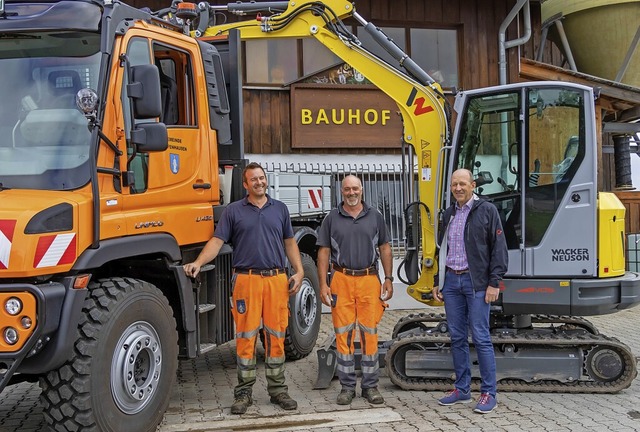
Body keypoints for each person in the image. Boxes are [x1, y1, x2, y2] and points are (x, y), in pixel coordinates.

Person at [183, 162, 304, 415]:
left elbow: (289, 242)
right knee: (246, 337)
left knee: (276, 336)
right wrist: (198, 262)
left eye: (262, 178)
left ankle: (278, 390)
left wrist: (299, 270)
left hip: (275, 280)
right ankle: (244, 393)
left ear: (265, 180)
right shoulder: (233, 211)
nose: (259, 182)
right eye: (253, 180)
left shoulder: (279, 209)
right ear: (245, 184)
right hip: (246, 281)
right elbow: (217, 241)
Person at [433, 168, 508, 414]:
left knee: (480, 336)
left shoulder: (487, 211)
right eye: (454, 184)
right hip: (452, 283)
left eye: (462, 183)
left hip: (476, 283)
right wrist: (438, 281)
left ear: (472, 185)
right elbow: (441, 250)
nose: (458, 188)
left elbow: (499, 249)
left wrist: (494, 282)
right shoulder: (449, 213)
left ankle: (488, 393)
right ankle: (462, 389)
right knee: (456, 337)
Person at [316, 175, 394, 406]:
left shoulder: (376, 216)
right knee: (344, 335)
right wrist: (323, 284)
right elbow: (323, 253)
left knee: (370, 334)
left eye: (355, 189)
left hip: (369, 280)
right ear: (342, 191)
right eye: (347, 189)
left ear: (362, 190)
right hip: (341, 279)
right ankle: (347, 387)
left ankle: (370, 387)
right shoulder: (331, 218)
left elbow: (385, 248)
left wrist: (388, 278)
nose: (352, 193)